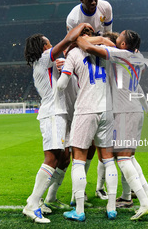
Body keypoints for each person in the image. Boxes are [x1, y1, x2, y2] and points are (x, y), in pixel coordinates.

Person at [75, 30, 148, 220]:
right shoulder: (139, 57)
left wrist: (80, 38)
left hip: (123, 111)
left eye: (120, 36)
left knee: (123, 159)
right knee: (128, 157)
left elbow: (87, 47)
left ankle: (144, 201)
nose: (118, 37)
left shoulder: (119, 54)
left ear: (122, 45)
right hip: (134, 110)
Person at [22, 23, 94, 224]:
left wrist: (63, 66)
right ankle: (32, 204)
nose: (52, 45)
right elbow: (68, 41)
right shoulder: (44, 58)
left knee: (62, 159)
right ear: (43, 47)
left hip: (60, 113)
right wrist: (81, 26)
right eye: (48, 43)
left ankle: (42, 199)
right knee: (52, 158)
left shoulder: (47, 63)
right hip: (53, 113)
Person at [57, 33, 118, 222]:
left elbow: (61, 85)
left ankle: (80, 210)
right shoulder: (108, 49)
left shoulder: (73, 53)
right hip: (107, 109)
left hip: (85, 110)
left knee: (79, 161)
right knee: (108, 160)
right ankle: (111, 208)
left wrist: (61, 70)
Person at [67, 0, 113, 200]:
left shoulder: (106, 8)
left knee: (81, 154)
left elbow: (107, 37)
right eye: (90, 0)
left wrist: (96, 41)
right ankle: (111, 200)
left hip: (88, 105)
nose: (94, 3)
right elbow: (73, 41)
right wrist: (101, 41)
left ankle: (80, 200)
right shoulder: (73, 17)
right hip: (102, 102)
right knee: (107, 154)